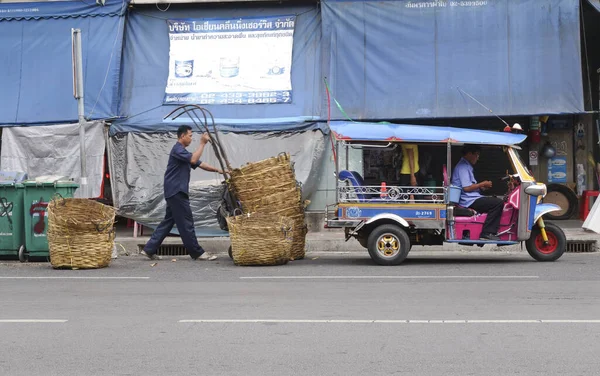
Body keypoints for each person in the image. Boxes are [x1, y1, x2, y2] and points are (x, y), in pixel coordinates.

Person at [141, 125, 224, 261]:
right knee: (186, 223)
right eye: (190, 136)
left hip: (174, 191)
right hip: (177, 191)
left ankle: (149, 249)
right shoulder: (177, 149)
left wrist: (219, 170)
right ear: (182, 136)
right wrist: (202, 143)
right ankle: (197, 252)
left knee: (168, 222)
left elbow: (200, 163)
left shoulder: (183, 152)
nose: (191, 139)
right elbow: (193, 159)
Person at [451, 144, 503, 241]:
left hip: (471, 197)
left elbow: (470, 185)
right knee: (498, 203)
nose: (478, 158)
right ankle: (487, 233)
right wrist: (482, 184)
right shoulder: (463, 167)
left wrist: (482, 187)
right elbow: (466, 188)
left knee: (494, 200)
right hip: (468, 200)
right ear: (470, 154)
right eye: (477, 154)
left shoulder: (467, 166)